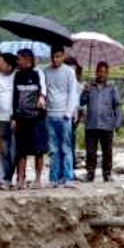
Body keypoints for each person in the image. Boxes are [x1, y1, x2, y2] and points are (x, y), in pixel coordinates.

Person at [44, 46, 79, 187]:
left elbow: (73, 93)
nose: (55, 59)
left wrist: (68, 113)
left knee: (66, 147)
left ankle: (68, 177)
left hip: (64, 115)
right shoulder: (45, 71)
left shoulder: (69, 72)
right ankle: (54, 178)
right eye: (53, 57)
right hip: (50, 115)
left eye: (58, 56)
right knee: (53, 149)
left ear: (63, 56)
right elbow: (43, 90)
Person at [12, 48, 47, 189]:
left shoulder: (39, 73)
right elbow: (15, 97)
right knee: (21, 151)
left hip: (37, 117)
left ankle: (38, 179)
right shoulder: (17, 75)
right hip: (21, 117)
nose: (17, 62)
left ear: (28, 60)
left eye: (19, 59)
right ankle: (21, 179)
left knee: (39, 150)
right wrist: (13, 117)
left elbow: (43, 89)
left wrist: (41, 97)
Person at [82, 61, 121, 183]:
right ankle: (90, 173)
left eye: (104, 72)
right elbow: (82, 102)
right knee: (90, 151)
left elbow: (117, 106)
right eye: (99, 71)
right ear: (96, 72)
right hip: (91, 124)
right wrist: (84, 92)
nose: (101, 74)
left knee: (107, 152)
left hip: (107, 124)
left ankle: (107, 174)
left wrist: (117, 122)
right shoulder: (90, 87)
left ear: (107, 74)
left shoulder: (112, 88)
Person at [0, 52, 18, 189]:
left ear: (9, 65)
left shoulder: (17, 76)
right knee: (4, 150)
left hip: (14, 118)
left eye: (1, 62)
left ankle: (9, 177)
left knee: (14, 151)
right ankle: (7, 179)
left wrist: (16, 116)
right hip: (1, 118)